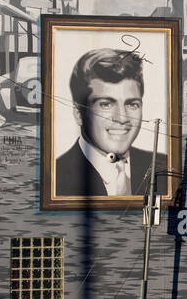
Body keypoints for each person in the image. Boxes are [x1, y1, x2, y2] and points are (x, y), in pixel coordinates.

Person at [55, 47, 165, 197]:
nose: (122, 118)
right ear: (79, 113)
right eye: (106, 104)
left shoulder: (164, 169)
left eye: (132, 104)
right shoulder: (55, 178)